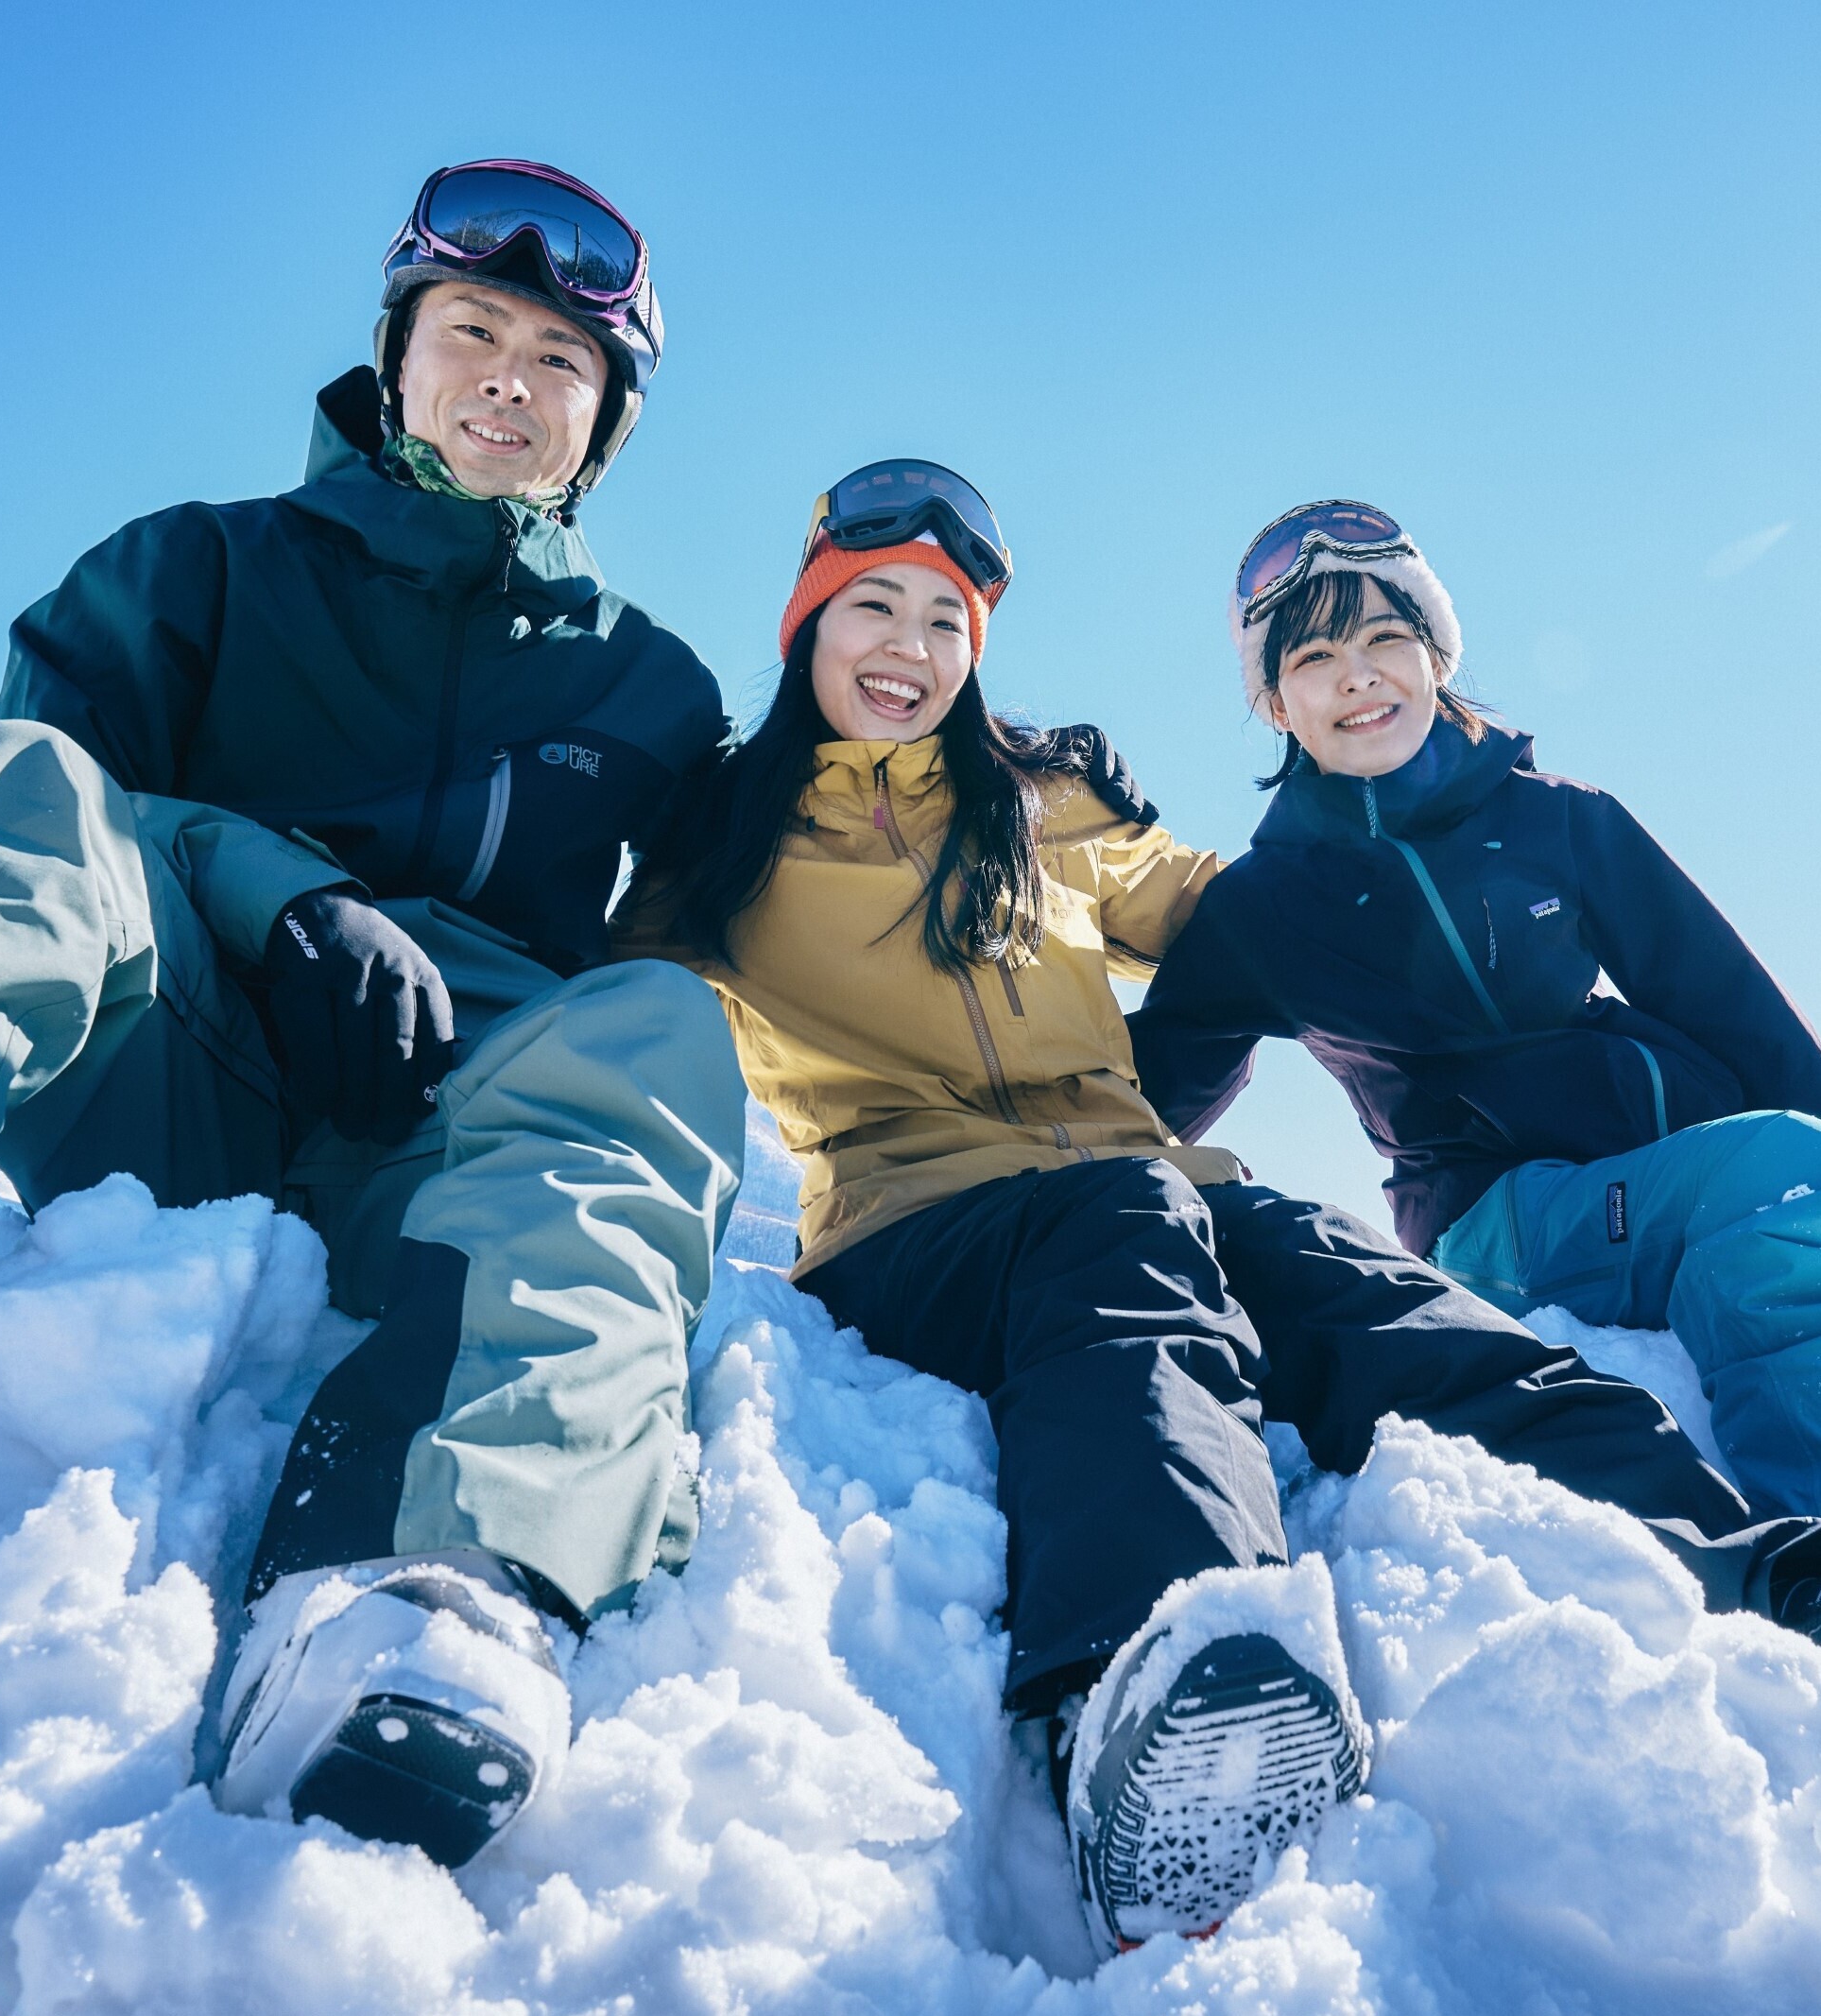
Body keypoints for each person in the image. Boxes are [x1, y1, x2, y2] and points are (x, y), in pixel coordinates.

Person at [615, 460, 1821, 1952]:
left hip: (1138, 1186)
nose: (909, 646)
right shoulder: (725, 837)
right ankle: (1160, 1653)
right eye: (874, 607)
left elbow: (1226, 910)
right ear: (807, 621)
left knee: (1394, 1314)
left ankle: (1747, 1558)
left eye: (946, 618)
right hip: (915, 1219)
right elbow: (607, 1000)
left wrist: (1366, 846)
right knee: (1124, 1245)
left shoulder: (1030, 809)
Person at [0, 161, 746, 1867]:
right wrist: (276, 892)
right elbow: (45, 823)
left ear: (601, 420)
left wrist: (990, 781)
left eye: (558, 360)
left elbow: (804, 872)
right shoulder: (192, 571)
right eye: (469, 331)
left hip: (449, 1139)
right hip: (185, 1062)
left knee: (662, 1029)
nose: (506, 382)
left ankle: (429, 1584)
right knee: (3, 787)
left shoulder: (653, 690)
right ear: (393, 358)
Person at [1129, 500, 1821, 1519]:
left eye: (1385, 637)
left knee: (1785, 1169)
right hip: (1492, 1217)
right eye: (1315, 656)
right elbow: (1153, 1090)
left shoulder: (1560, 821)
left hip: (1657, 1174)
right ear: (1278, 703)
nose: (1359, 675)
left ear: (1435, 655)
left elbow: (1730, 1004)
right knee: (1773, 1174)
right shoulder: (1265, 906)